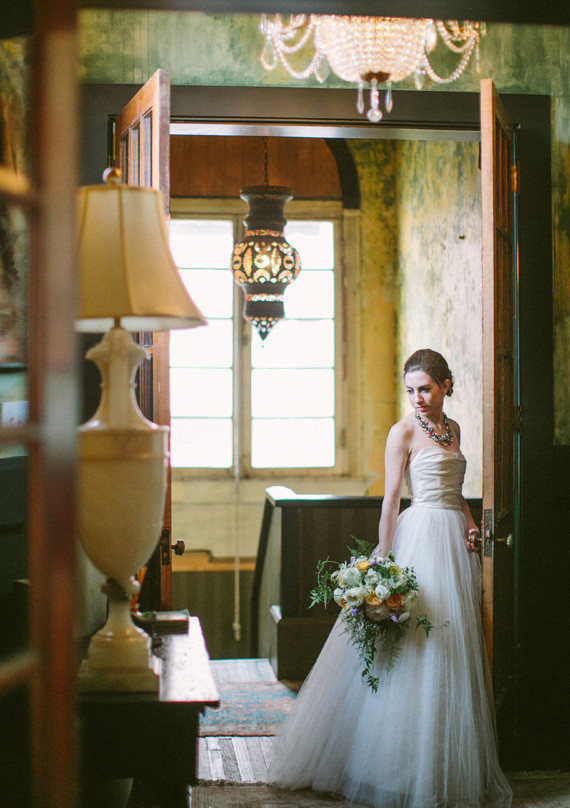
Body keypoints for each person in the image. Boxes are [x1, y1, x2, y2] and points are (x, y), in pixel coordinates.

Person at [269, 349, 513, 808]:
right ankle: (388, 765)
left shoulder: (454, 429)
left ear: (445, 386)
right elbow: (390, 502)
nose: (418, 399)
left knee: (450, 645)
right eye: (411, 391)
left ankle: (439, 762)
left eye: (425, 389)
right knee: (413, 643)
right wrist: (383, 557)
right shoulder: (401, 432)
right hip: (419, 535)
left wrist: (472, 523)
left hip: (453, 539)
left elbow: (456, 493)